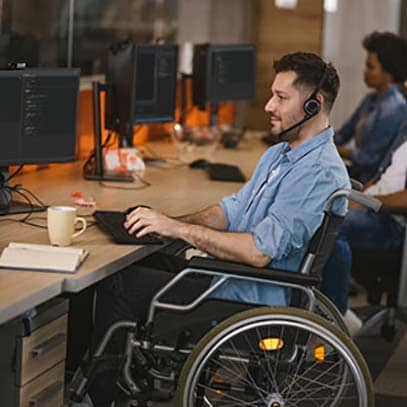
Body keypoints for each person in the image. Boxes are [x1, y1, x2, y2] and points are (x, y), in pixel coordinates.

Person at [82, 52, 349, 406]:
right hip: (230, 280)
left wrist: (177, 230)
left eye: (281, 98)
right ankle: (103, 384)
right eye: (272, 94)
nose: (268, 105)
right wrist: (166, 221)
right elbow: (230, 211)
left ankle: (94, 397)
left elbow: (258, 252)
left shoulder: (317, 172)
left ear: (314, 106)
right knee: (139, 259)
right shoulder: (282, 154)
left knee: (115, 283)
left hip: (247, 298)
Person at [321, 119, 407, 331]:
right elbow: (381, 174)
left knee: (333, 225)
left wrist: (367, 204)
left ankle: (338, 315)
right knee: (316, 210)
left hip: (393, 223)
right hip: (375, 207)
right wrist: (359, 195)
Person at [335, 31, 407, 183]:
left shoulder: (395, 108)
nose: (364, 71)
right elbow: (344, 133)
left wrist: (335, 150)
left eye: (370, 67)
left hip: (368, 183)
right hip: (356, 174)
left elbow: (370, 160)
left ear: (388, 72)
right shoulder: (371, 99)